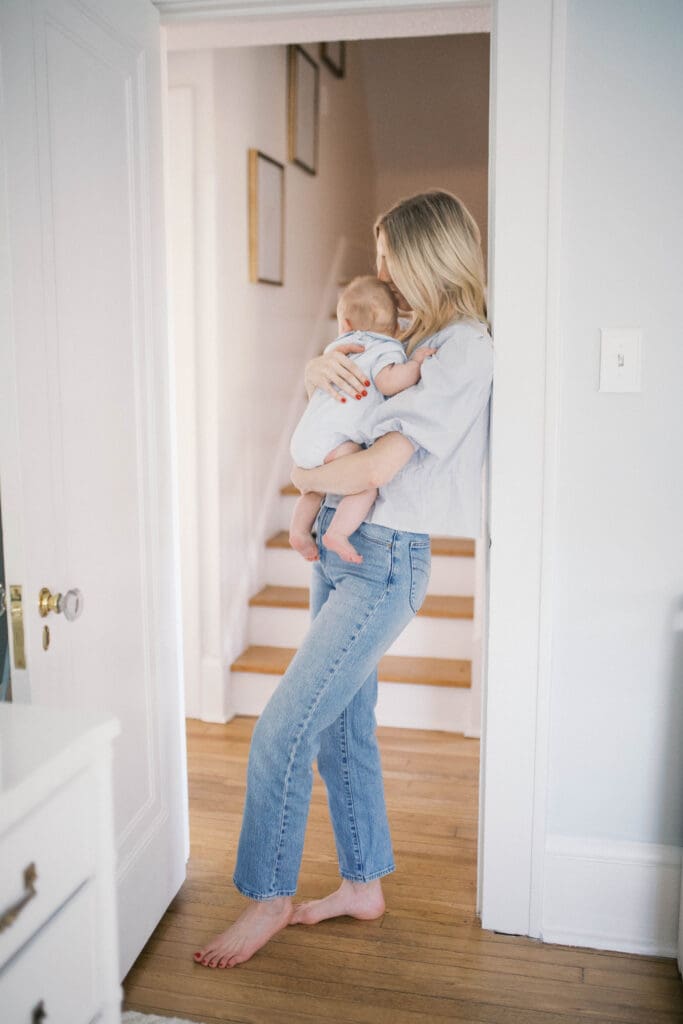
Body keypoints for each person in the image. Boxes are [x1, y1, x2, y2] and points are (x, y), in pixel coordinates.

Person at [193, 190, 494, 970]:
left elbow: (380, 461)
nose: (384, 269)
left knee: (279, 728)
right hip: (344, 547)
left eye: (392, 253)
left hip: (383, 557)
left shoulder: (464, 349)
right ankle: (363, 884)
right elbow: (350, 400)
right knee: (338, 729)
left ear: (428, 255)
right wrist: (317, 364)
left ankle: (267, 894)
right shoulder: (410, 337)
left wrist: (296, 473)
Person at [289, 274, 435, 564]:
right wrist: (416, 364)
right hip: (337, 442)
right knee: (365, 485)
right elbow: (388, 382)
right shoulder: (385, 349)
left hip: (305, 438)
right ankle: (338, 533)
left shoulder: (336, 349)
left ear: (345, 325)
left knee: (314, 489)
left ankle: (298, 531)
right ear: (396, 328)